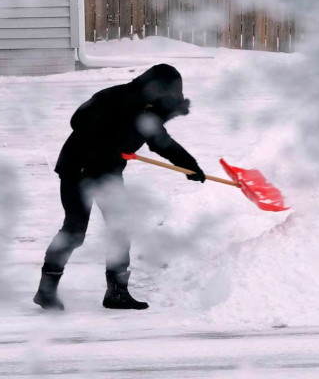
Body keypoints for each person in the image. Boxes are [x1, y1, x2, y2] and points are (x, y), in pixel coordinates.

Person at [33, 64, 205, 311]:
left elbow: (162, 142)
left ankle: (117, 293)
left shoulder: (150, 113)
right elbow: (79, 120)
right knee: (74, 231)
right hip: (78, 170)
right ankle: (46, 291)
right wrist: (106, 147)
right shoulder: (114, 97)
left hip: (108, 175)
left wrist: (190, 165)